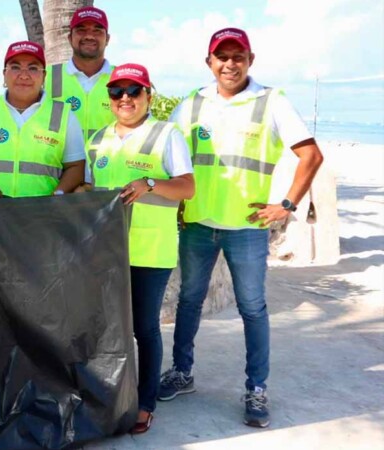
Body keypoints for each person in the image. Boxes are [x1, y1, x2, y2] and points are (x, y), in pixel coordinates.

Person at [158, 27, 324, 428]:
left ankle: (257, 389)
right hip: (197, 223)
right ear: (209, 62)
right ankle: (182, 373)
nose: (230, 63)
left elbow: (310, 155)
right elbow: (166, 151)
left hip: (247, 227)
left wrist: (286, 205)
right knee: (189, 302)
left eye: (238, 56)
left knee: (253, 309)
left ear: (250, 60)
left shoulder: (271, 102)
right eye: (222, 56)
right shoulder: (192, 104)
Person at [81, 63, 194, 434]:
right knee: (106, 328)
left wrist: (149, 182)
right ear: (109, 99)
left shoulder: (167, 134)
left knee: (144, 328)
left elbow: (186, 188)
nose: (125, 98)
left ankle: (144, 402)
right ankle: (108, 395)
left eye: (134, 90)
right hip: (105, 251)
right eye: (117, 92)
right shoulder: (97, 139)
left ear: (149, 95)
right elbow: (86, 189)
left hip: (150, 249)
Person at [0, 41, 85, 198]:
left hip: (41, 215)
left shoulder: (63, 114)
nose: (24, 75)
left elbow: (76, 167)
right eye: (15, 67)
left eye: (33, 68)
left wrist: (57, 196)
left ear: (44, 76)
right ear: (4, 73)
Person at [45, 6, 115, 140]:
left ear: (107, 39)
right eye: (81, 30)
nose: (89, 36)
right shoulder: (45, 77)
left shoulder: (122, 79)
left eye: (97, 30)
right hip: (58, 161)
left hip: (109, 160)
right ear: (70, 38)